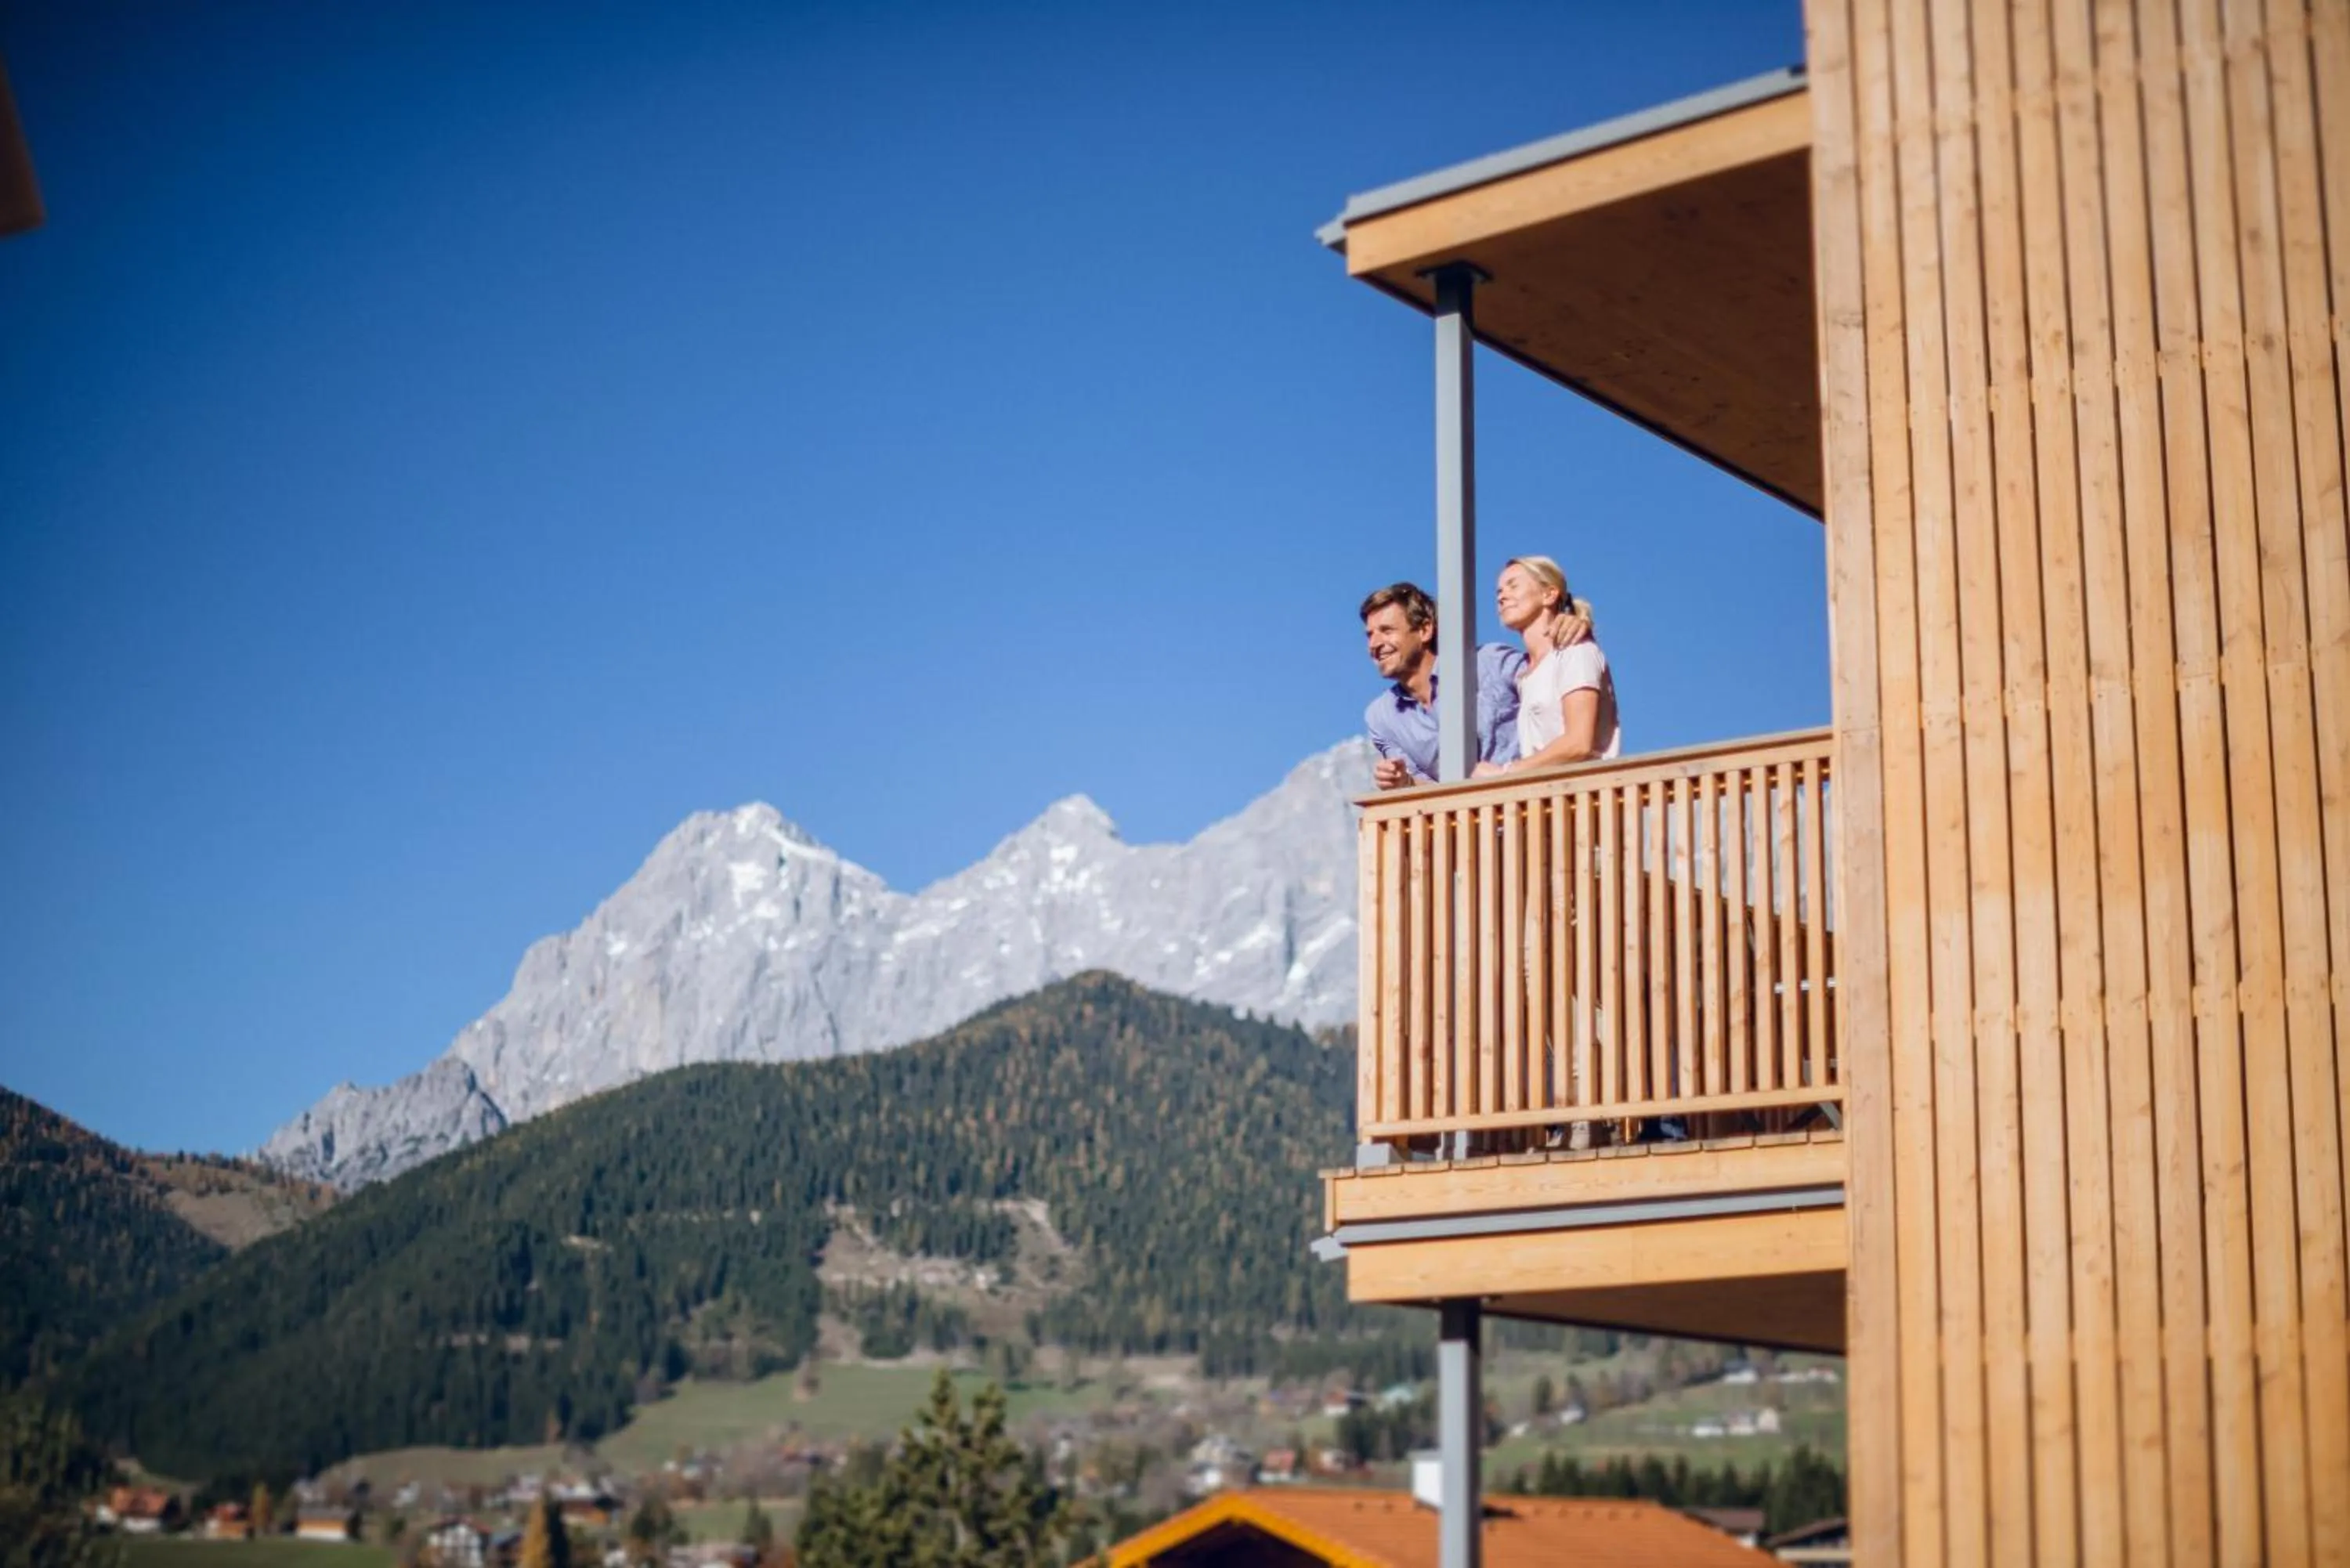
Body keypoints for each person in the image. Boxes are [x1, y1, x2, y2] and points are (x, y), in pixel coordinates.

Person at [1360, 582, 1525, 789]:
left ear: (1425, 630)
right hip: (1463, 818)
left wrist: (1570, 622)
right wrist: (1405, 781)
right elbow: (1428, 790)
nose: (1374, 644)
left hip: (1535, 805)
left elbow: (1555, 692)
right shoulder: (1381, 717)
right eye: (1370, 635)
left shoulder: (1491, 663)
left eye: (1387, 630)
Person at [1482, 555, 1621, 773]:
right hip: (1547, 798)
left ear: (1549, 594)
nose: (1502, 596)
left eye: (1513, 586)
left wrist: (1505, 773)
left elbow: (1578, 743)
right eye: (1498, 592)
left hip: (1587, 796)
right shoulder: (1525, 675)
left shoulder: (1575, 651)